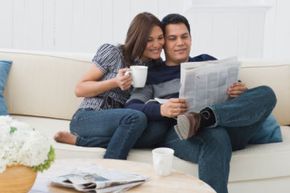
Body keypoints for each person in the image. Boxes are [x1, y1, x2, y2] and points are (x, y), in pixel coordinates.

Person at [126, 13, 277, 193]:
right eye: (172, 38)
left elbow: (246, 101)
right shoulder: (152, 74)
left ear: (191, 38)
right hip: (183, 133)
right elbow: (132, 106)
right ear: (163, 43)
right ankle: (204, 120)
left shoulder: (207, 60)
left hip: (231, 127)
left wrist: (238, 91)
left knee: (267, 93)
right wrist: (162, 109)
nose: (180, 43)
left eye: (184, 36)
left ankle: (205, 117)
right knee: (217, 136)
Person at [54, 12, 165, 160]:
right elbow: (80, 89)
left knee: (157, 131)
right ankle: (111, 169)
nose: (157, 44)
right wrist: (114, 82)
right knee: (136, 118)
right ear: (138, 38)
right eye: (149, 40)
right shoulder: (114, 52)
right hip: (88, 117)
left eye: (160, 38)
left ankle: (81, 142)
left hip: (122, 125)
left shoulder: (155, 66)